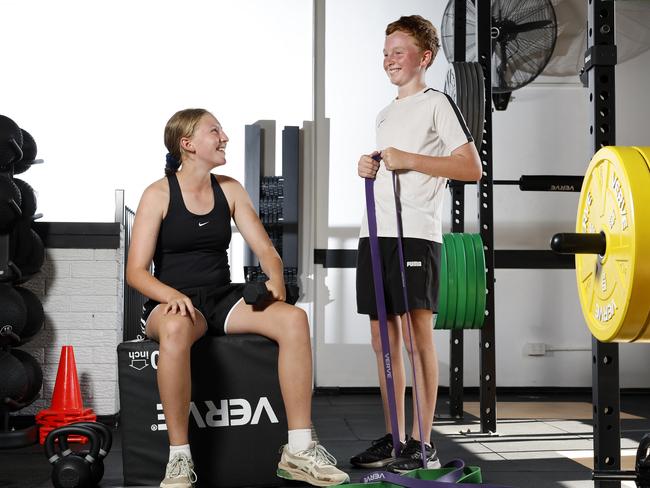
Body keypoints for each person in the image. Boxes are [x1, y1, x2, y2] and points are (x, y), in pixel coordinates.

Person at [126, 108, 349, 488]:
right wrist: (171, 296)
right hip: (171, 303)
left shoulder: (228, 189)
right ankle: (179, 458)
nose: (224, 137)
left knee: (294, 319)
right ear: (188, 144)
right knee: (178, 326)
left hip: (220, 299)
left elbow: (266, 250)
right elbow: (135, 272)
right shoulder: (158, 194)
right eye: (215, 131)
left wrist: (275, 277)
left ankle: (298, 450)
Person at [351, 15, 482, 473]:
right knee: (381, 340)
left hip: (415, 237)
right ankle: (397, 436)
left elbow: (470, 168)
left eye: (398, 50)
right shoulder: (384, 113)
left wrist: (409, 160)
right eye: (385, 51)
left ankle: (422, 443)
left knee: (414, 337)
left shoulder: (436, 103)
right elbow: (390, 171)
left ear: (424, 57)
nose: (388, 58)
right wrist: (368, 169)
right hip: (375, 235)